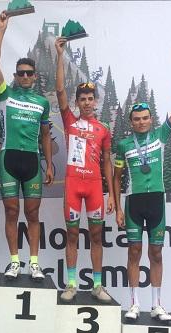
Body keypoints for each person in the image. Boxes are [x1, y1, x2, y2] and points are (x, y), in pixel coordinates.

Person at [113, 45, 171, 321]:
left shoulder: (161, 134)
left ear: (151, 119)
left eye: (145, 118)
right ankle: (134, 304)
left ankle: (157, 304)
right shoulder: (123, 144)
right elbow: (115, 178)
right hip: (134, 202)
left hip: (156, 200)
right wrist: (118, 208)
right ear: (131, 122)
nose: (141, 122)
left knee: (156, 252)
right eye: (136, 119)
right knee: (134, 251)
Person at [0, 11, 54, 281]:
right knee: (12, 211)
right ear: (16, 76)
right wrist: (1, 30)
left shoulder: (42, 103)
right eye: (21, 73)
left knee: (33, 213)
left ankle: (35, 263)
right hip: (8, 160)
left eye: (29, 73)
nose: (25, 76)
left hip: (32, 161)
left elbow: (45, 136)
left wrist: (49, 164)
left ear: (35, 76)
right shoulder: (7, 94)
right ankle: (14, 261)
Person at [54, 37, 115, 303]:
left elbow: (107, 163)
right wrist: (59, 55)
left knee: (97, 236)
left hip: (94, 188)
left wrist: (111, 194)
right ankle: (71, 284)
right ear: (77, 103)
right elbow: (59, 92)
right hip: (72, 185)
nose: (87, 102)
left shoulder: (104, 130)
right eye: (83, 99)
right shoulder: (70, 121)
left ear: (95, 101)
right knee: (71, 235)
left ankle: (97, 285)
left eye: (91, 98)